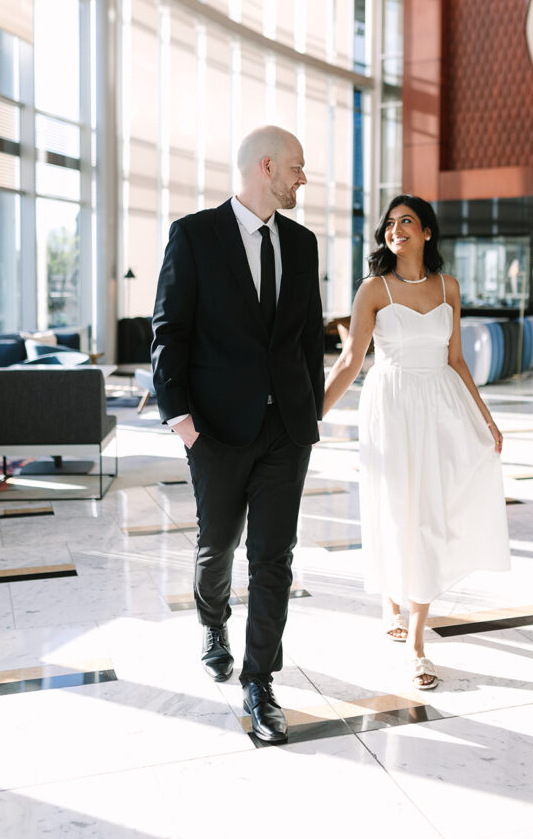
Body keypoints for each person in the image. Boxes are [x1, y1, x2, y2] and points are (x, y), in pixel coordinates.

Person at [151, 125, 324, 744]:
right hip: (217, 432)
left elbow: (307, 340)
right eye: (298, 168)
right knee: (217, 543)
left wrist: (310, 419)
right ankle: (213, 622)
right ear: (268, 167)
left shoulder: (302, 245)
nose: (304, 178)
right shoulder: (195, 235)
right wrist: (184, 423)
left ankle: (260, 682)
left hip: (286, 432)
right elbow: (169, 330)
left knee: (273, 557)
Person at [323, 195, 510, 690]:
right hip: (391, 407)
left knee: (429, 513)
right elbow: (349, 363)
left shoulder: (449, 287)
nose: (395, 228)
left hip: (441, 407)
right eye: (390, 222)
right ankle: (390, 599)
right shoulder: (374, 289)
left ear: (427, 232)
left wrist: (485, 420)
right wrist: (310, 416)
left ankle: (417, 641)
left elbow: (458, 359)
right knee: (394, 508)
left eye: (406, 221)